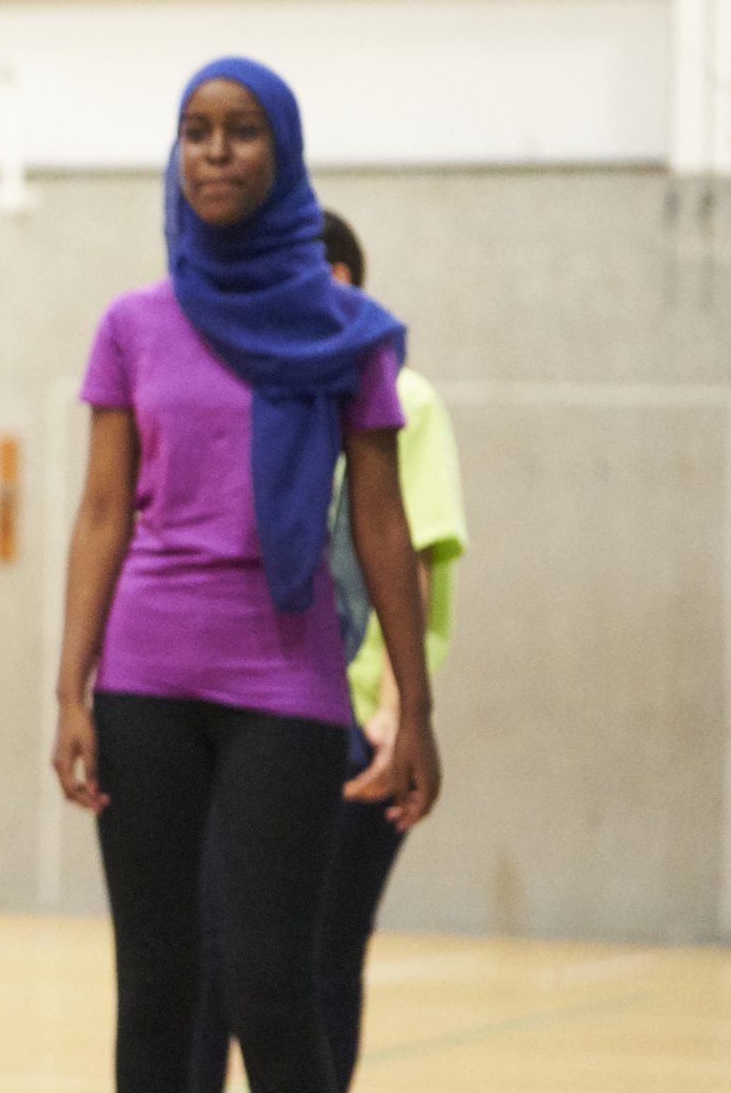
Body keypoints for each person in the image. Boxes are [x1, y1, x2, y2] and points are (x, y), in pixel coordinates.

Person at [51, 57, 443, 1093]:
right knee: (156, 987)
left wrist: (416, 707)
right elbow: (100, 516)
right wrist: (69, 689)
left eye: (239, 131)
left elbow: (380, 523)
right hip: (144, 677)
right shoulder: (132, 324)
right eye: (194, 130)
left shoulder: (347, 333)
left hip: (286, 681)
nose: (214, 151)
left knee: (273, 981)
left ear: (283, 151)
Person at [189, 209, 468, 1093]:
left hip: (350, 716)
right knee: (214, 952)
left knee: (321, 955)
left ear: (340, 281)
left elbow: (410, 552)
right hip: (251, 704)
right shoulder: (247, 388)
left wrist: (396, 710)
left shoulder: (404, 397)